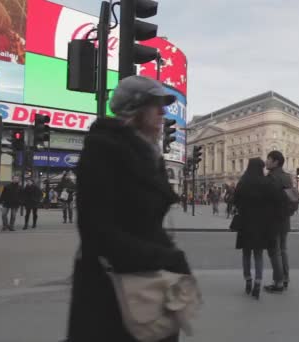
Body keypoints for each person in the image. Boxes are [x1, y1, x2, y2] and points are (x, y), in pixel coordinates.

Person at [67, 75, 192, 342]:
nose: (163, 112)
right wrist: (165, 258)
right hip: (111, 288)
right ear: (135, 109)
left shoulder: (149, 153)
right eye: (155, 105)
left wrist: (171, 259)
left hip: (148, 283)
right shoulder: (103, 149)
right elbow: (96, 231)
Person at [233, 158, 278, 299]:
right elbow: (273, 202)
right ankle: (258, 283)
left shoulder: (242, 182)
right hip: (261, 223)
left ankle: (248, 280)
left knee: (246, 253)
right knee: (258, 254)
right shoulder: (266, 182)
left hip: (245, 222)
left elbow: (235, 200)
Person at [264, 150, 293, 293]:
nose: (266, 162)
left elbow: (267, 201)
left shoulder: (271, 178)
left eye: (268, 159)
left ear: (275, 162)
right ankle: (285, 278)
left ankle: (278, 282)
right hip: (285, 218)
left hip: (273, 220)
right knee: (283, 249)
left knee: (274, 252)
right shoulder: (287, 177)